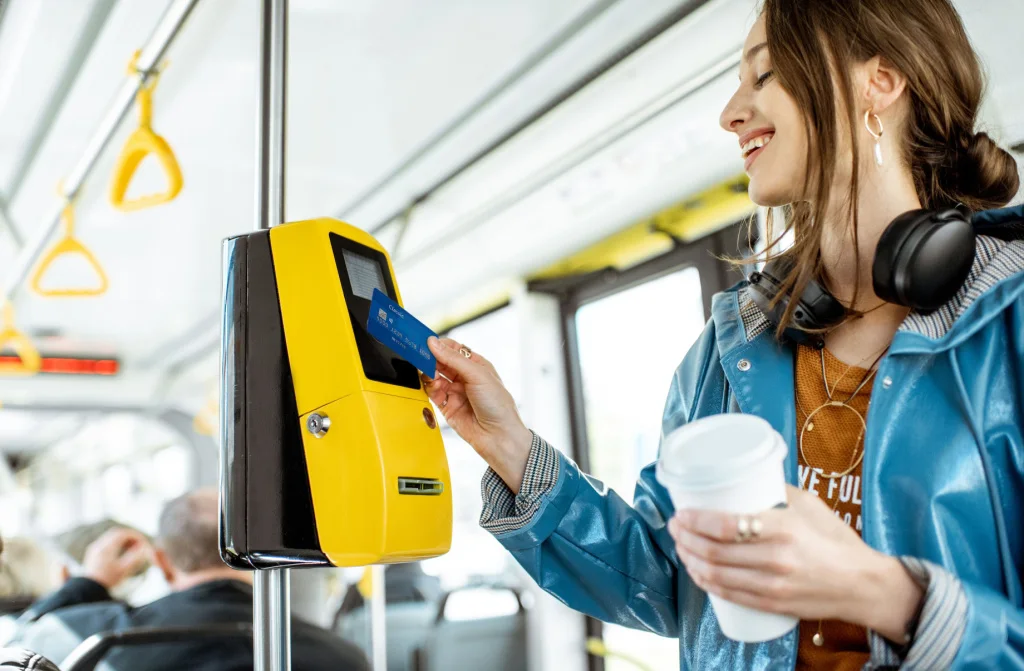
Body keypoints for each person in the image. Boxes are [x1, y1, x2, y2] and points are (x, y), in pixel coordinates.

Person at [421, 1, 1024, 669]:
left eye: (763, 75)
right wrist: (512, 448)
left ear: (879, 81)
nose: (730, 113)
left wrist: (889, 597)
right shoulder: (732, 344)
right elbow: (669, 578)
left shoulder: (1011, 319)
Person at [14, 489, 369, 671]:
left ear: (163, 563)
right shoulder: (341, 656)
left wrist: (89, 582)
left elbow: (14, 653)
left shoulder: (85, 635)